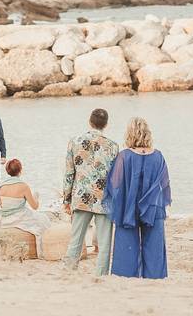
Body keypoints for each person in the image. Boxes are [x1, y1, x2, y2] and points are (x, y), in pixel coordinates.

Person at [103, 117, 171, 279]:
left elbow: (115, 183)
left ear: (129, 134)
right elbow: (165, 183)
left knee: (126, 245)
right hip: (152, 208)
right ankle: (154, 276)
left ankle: (126, 275)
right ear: (148, 133)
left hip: (128, 208)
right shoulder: (158, 156)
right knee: (154, 245)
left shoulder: (124, 156)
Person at [62, 108, 119, 275]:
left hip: (81, 197)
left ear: (90, 122)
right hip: (104, 199)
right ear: (106, 124)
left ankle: (69, 271)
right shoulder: (113, 146)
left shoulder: (74, 141)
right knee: (104, 242)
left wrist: (66, 199)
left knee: (76, 239)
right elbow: (116, 179)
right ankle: (100, 274)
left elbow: (69, 173)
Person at [0, 159, 51, 257]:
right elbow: (35, 207)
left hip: (5, 220)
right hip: (18, 218)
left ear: (7, 171)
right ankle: (41, 252)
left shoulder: (2, 187)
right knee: (43, 219)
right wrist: (36, 198)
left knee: (38, 217)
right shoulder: (23, 186)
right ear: (20, 170)